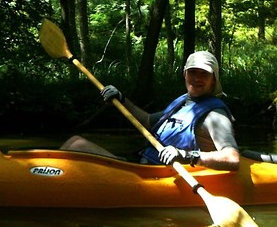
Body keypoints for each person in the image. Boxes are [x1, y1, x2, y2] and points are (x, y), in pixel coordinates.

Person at [60, 51, 240, 171]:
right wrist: (122, 99)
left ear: (214, 80)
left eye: (204, 74)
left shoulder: (215, 115)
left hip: (162, 175)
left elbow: (232, 159)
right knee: (75, 143)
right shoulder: (183, 102)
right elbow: (146, 121)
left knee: (75, 145)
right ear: (185, 74)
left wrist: (187, 156)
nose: (197, 79)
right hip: (142, 167)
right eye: (193, 72)